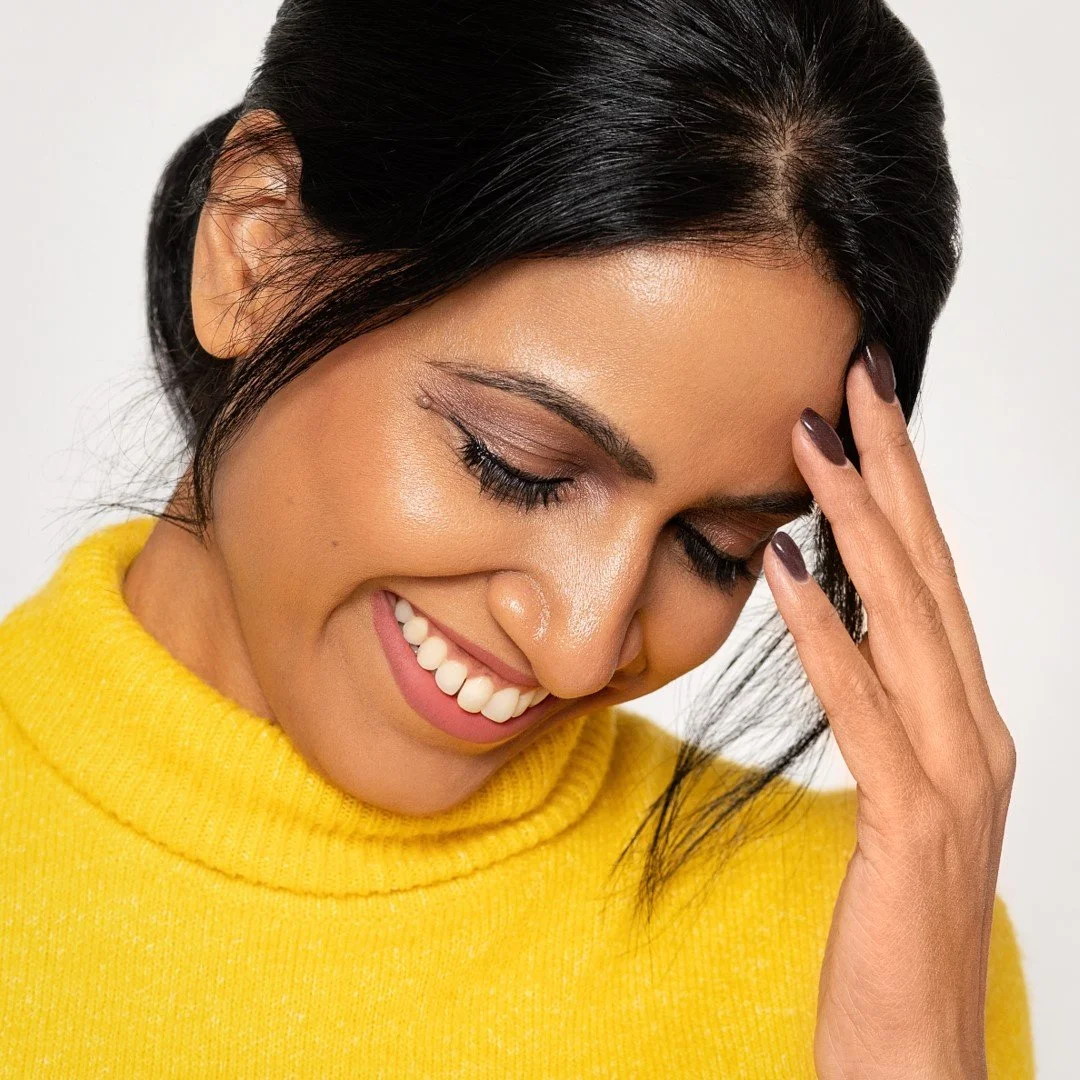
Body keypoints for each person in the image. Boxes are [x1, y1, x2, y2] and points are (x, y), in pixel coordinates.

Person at [0, 1, 1034, 1076]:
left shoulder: (875, 934)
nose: (581, 651)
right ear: (256, 246)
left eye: (715, 549)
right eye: (517, 463)